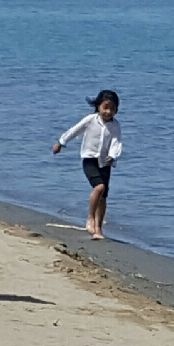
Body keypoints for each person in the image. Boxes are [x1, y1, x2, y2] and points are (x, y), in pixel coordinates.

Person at [51, 90, 126, 240]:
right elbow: (75, 130)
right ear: (98, 106)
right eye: (105, 107)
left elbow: (116, 142)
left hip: (106, 162)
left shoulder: (115, 125)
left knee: (103, 196)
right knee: (99, 187)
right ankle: (90, 218)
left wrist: (113, 155)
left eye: (112, 108)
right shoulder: (91, 119)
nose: (108, 111)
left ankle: (98, 229)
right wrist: (61, 142)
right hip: (89, 159)